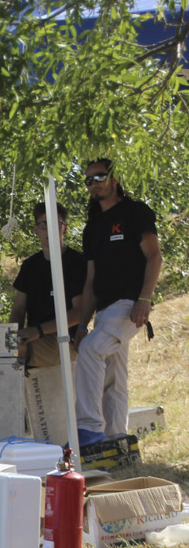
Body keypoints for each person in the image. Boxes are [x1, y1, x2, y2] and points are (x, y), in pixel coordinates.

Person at [72, 159, 163, 447]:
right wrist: (82, 324)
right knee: (114, 376)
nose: (94, 183)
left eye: (99, 176)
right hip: (104, 311)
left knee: (91, 350)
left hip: (129, 306)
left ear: (115, 178)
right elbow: (90, 282)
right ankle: (115, 440)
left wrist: (144, 300)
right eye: (88, 180)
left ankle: (88, 429)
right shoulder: (92, 228)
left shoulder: (135, 212)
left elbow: (155, 257)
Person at [9, 202, 87, 368]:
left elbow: (79, 313)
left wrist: (38, 331)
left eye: (55, 224)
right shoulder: (30, 266)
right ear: (36, 229)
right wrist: (13, 334)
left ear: (64, 228)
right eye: (44, 224)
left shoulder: (76, 263)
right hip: (32, 339)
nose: (49, 230)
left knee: (16, 352)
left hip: (65, 341)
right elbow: (18, 310)